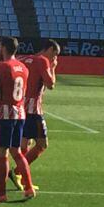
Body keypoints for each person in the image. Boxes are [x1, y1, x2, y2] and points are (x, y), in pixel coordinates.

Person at [0, 36, 36, 203]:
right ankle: (29, 187)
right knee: (16, 151)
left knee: (1, 152)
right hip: (20, 113)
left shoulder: (2, 67)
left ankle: (1, 194)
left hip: (5, 115)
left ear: (3, 47)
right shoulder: (23, 68)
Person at [21, 39, 60, 168]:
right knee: (42, 144)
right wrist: (53, 68)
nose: (55, 58)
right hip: (33, 109)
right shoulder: (43, 61)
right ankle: (18, 172)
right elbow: (51, 85)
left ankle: (24, 179)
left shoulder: (25, 60)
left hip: (21, 106)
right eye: (55, 54)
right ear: (49, 49)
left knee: (25, 143)